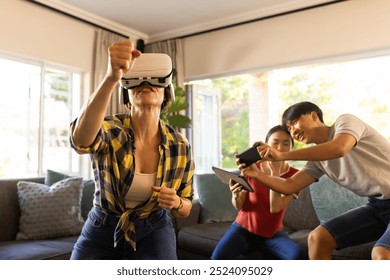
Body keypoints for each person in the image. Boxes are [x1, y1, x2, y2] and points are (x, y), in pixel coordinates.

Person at [69, 40, 194, 260]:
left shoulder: (180, 145)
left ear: (166, 95)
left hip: (154, 227)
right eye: (136, 81)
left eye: (155, 81)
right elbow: (80, 140)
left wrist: (176, 202)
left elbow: (187, 205)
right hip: (102, 226)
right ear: (126, 96)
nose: (145, 83)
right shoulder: (109, 130)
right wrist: (111, 77)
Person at [241, 101, 390, 260]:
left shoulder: (346, 122)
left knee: (381, 254)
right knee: (317, 238)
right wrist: (257, 174)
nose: (293, 131)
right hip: (377, 206)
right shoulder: (317, 161)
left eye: (294, 123)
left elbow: (339, 148)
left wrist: (281, 155)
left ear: (313, 115)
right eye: (289, 129)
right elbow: (288, 186)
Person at [211, 125, 307, 260]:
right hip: (242, 230)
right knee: (216, 259)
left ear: (291, 148)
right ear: (266, 145)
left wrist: (275, 173)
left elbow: (276, 208)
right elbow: (239, 206)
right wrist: (235, 195)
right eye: (275, 143)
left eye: (286, 144)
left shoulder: (295, 176)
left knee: (299, 257)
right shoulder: (253, 167)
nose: (279, 148)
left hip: (273, 235)